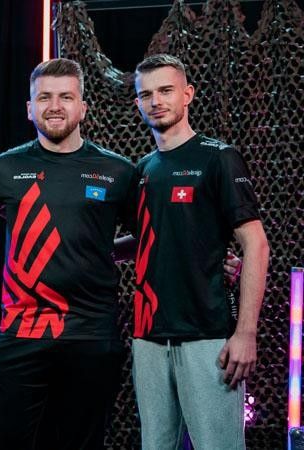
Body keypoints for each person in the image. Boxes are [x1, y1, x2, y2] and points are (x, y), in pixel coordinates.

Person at [0, 58, 138, 449]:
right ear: (30, 108)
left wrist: (103, 251)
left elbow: (148, 238)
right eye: (44, 97)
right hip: (20, 334)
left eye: (65, 97)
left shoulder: (118, 171)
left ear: (83, 108)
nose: (54, 106)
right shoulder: (6, 167)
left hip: (91, 334)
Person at [131, 53, 269, 449]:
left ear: (187, 94)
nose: (156, 101)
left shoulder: (218, 157)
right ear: (137, 103)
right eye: (146, 94)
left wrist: (246, 333)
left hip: (207, 334)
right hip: (148, 336)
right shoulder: (143, 169)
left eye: (166, 91)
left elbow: (256, 244)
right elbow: (146, 240)